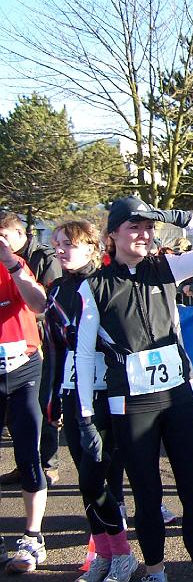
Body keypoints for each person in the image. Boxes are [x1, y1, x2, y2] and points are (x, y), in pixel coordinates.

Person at [73, 196, 193, 582]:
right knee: (147, 497)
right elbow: (82, 355)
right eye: (134, 227)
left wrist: (183, 219)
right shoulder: (93, 286)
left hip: (178, 397)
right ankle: (156, 571)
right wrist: (85, 418)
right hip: (129, 403)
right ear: (112, 235)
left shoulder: (164, 267)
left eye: (149, 226)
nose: (144, 234)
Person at [45, 220, 137, 582]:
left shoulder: (101, 283)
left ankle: (123, 556)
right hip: (72, 391)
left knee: (102, 477)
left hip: (106, 392)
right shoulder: (54, 289)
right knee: (86, 481)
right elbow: (55, 349)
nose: (61, 250)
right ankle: (104, 553)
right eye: (57, 244)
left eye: (69, 243)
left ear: (91, 247)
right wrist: (51, 397)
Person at [0, 211, 62, 488]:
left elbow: (50, 302)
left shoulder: (42, 257)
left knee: (42, 405)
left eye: (4, 236)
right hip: (15, 345)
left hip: (42, 342)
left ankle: (47, 464)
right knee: (17, 415)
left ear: (20, 234)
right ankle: (24, 462)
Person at [0, 229, 49, 574]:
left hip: (23, 368)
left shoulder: (16, 265)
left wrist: (11, 263)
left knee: (28, 452)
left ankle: (33, 536)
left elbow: (38, 303)